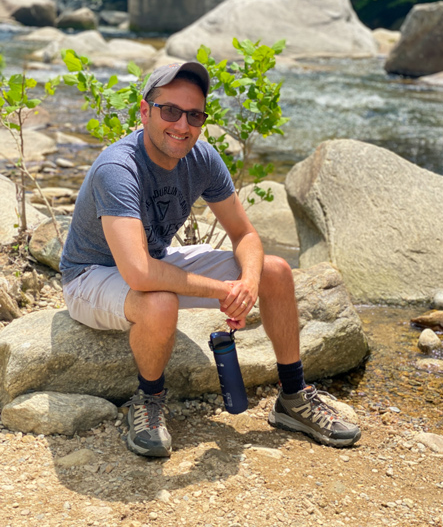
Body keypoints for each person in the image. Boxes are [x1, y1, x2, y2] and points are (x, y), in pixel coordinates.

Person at [60, 61, 361, 458]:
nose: (182, 125)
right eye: (170, 111)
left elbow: (246, 234)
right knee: (159, 299)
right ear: (145, 111)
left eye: (194, 115)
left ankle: (293, 397)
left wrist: (248, 283)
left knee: (274, 270)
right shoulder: (117, 168)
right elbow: (138, 272)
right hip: (91, 274)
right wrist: (223, 291)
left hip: (153, 258)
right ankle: (149, 400)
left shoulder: (201, 157)